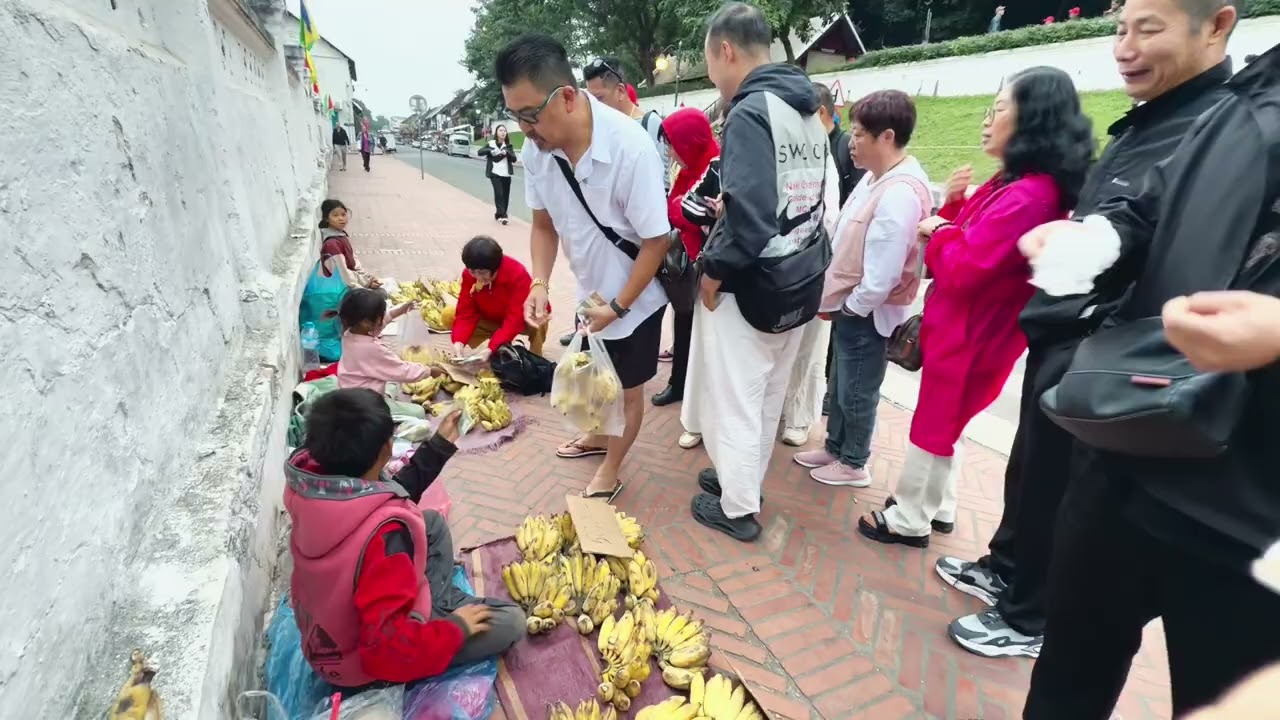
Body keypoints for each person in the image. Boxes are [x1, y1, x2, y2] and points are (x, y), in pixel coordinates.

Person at [937, 0, 1237, 659]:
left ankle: (1027, 615)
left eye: (1148, 30)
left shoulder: (1216, 132)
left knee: (1061, 494)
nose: (1125, 48)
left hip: (1110, 353)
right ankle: (1008, 570)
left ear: (1217, 25)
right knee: (1029, 471)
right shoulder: (1151, 119)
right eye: (1121, 29)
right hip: (1060, 335)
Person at [1016, 40, 1280, 719]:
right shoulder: (1250, 91)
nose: (1127, 46)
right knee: (1066, 682)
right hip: (1129, 447)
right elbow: (1154, 203)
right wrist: (1097, 239)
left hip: (1248, 510)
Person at [857, 67, 1094, 549]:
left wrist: (940, 233)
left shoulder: (1029, 194)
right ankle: (937, 504)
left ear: (1033, 121)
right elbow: (971, 232)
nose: (988, 121)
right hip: (973, 327)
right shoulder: (1018, 183)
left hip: (974, 329)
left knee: (936, 419)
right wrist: (955, 208)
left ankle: (910, 516)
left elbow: (966, 264)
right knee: (949, 420)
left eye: (1000, 110)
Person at [681, 2, 837, 542]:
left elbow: (748, 212)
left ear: (725, 50)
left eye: (709, 61)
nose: (712, 74)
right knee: (767, 393)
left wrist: (714, 272)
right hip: (800, 274)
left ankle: (739, 506)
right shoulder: (807, 109)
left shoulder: (749, 111)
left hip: (755, 284)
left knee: (739, 394)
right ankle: (738, 475)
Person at [496, 33, 670, 501]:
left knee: (627, 391)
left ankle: (612, 468)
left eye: (531, 115)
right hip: (591, 292)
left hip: (634, 297)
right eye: (515, 117)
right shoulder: (536, 152)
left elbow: (658, 241)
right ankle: (596, 437)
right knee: (595, 374)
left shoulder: (630, 149)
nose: (525, 129)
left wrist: (619, 304)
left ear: (567, 97)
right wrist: (538, 282)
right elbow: (544, 226)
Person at [285, 389, 525, 687]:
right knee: (511, 621)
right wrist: (455, 629)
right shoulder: (387, 538)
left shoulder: (314, 489)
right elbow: (384, 652)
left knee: (431, 524)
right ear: (387, 448)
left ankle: (438, 601)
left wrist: (438, 446)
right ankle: (441, 609)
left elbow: (390, 494)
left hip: (328, 632)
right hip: (368, 662)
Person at [796, 90, 931, 487]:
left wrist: (854, 306)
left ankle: (854, 461)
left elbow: (884, 271)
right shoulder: (877, 179)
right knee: (842, 383)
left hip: (869, 312)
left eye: (858, 134)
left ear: (886, 137)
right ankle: (836, 447)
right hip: (851, 306)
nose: (851, 142)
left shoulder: (900, 192)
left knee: (857, 388)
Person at [651, 108, 722, 414]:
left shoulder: (715, 166)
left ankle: (696, 393)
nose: (671, 153)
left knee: (705, 333)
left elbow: (690, 213)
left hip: (710, 267)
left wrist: (685, 209)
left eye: (673, 145)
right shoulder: (691, 167)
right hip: (686, 262)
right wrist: (687, 208)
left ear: (690, 141)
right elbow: (675, 208)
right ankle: (679, 383)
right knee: (683, 322)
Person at [335, 288, 438, 418]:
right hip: (365, 405)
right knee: (419, 412)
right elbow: (402, 370)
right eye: (381, 315)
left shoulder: (350, 332)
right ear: (366, 322)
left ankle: (387, 397)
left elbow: (377, 326)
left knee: (392, 383)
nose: (383, 318)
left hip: (350, 388)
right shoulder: (371, 349)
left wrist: (399, 311)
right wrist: (429, 371)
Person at [299, 199, 380, 362]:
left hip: (339, 289)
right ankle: (352, 339)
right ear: (326, 219)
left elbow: (354, 266)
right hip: (330, 295)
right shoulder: (332, 244)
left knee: (377, 295)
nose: (341, 218)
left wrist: (368, 280)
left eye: (343, 214)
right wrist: (366, 292)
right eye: (335, 215)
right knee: (376, 301)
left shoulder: (340, 236)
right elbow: (346, 276)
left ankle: (355, 336)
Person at [451, 235, 548, 359]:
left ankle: (535, 356)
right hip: (492, 317)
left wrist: (492, 348)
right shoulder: (469, 276)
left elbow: (515, 317)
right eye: (472, 271)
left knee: (538, 316)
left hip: (522, 318)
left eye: (482, 272)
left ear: (496, 268)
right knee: (449, 315)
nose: (477, 277)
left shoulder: (516, 274)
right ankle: (500, 344)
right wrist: (458, 341)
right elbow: (465, 312)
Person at [479, 126, 516, 225]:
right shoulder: (491, 144)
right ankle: (504, 215)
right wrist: (490, 151)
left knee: (505, 195)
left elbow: (514, 159)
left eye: (504, 131)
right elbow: (480, 152)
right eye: (500, 130)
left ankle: (499, 214)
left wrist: (507, 153)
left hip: (506, 174)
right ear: (496, 132)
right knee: (498, 193)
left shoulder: (508, 146)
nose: (503, 132)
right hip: (494, 173)